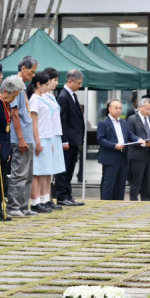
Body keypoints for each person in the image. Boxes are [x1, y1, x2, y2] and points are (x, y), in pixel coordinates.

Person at [0, 75, 25, 221]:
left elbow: (7, 128)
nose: (13, 99)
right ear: (6, 92)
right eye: (13, 95)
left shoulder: (5, 103)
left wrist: (7, 150)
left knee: (1, 181)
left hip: (3, 147)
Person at [8, 56, 39, 217]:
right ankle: (13, 206)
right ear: (23, 68)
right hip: (20, 137)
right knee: (19, 173)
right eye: (32, 72)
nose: (33, 75)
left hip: (28, 136)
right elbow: (14, 113)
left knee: (27, 174)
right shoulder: (14, 83)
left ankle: (23, 206)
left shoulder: (23, 86)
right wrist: (20, 137)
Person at [97, 100, 144, 200]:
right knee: (109, 182)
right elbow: (101, 139)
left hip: (123, 156)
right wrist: (114, 146)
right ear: (109, 109)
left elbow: (130, 135)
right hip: (110, 156)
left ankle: (119, 202)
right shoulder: (103, 123)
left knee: (121, 182)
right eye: (116, 108)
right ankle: (106, 203)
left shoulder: (123, 122)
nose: (118, 110)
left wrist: (138, 139)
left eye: (120, 108)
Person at [56, 69, 86, 207]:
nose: (80, 86)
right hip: (67, 141)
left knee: (70, 168)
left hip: (74, 140)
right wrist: (64, 140)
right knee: (64, 169)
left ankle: (68, 194)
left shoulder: (72, 95)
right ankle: (62, 195)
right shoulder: (63, 96)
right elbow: (62, 121)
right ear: (70, 81)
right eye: (78, 83)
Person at [27, 71, 55, 214]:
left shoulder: (43, 98)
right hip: (39, 137)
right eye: (45, 85)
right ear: (38, 84)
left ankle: (43, 198)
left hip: (46, 137)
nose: (47, 87)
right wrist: (37, 141)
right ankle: (36, 201)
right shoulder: (35, 100)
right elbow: (34, 122)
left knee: (44, 171)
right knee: (37, 172)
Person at [42, 67, 65, 211]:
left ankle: (48, 197)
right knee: (45, 169)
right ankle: (43, 199)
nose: (56, 83)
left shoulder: (51, 95)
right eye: (54, 80)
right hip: (48, 135)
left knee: (51, 169)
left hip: (55, 133)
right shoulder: (42, 96)